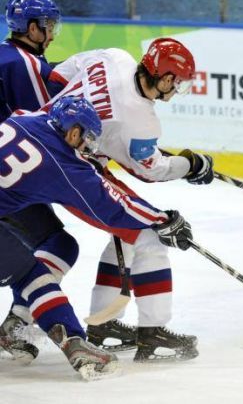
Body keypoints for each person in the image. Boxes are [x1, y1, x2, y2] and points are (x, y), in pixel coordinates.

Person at [41, 38, 213, 362]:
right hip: (71, 172)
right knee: (149, 236)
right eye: (176, 82)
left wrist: (93, 139)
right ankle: (154, 333)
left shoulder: (114, 56)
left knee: (128, 233)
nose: (176, 90)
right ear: (164, 79)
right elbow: (150, 171)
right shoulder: (142, 121)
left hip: (42, 138)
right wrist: (190, 165)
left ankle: (104, 324)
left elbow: (58, 78)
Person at [0, 96, 193, 379]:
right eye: (86, 139)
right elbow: (113, 207)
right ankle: (76, 344)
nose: (86, 147)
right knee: (32, 275)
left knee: (61, 245)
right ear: (73, 132)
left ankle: (15, 326)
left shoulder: (26, 116)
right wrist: (163, 219)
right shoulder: (64, 165)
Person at [0, 0, 83, 359]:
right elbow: (45, 127)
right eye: (48, 27)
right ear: (31, 28)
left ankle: (17, 322)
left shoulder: (6, 58)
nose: (51, 34)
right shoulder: (25, 64)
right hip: (6, 177)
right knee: (59, 245)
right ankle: (17, 324)